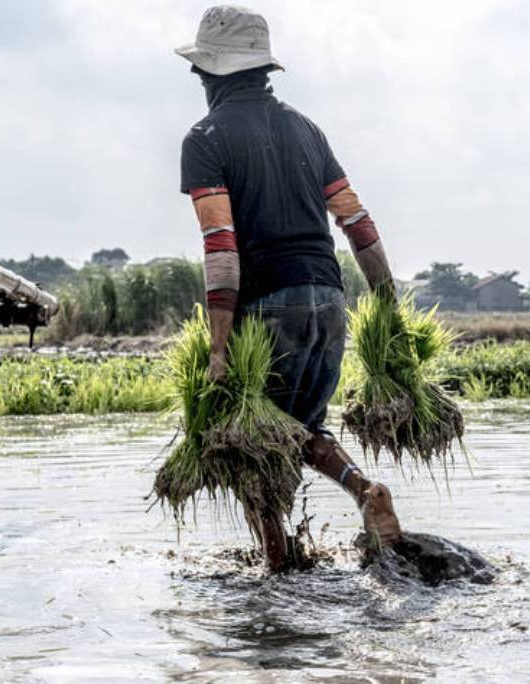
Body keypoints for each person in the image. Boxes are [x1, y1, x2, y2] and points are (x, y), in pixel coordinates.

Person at [175, 5, 401, 570]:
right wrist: (388, 307)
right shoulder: (307, 130)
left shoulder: (205, 138)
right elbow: (358, 224)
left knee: (247, 440)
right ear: (263, 72)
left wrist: (220, 348)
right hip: (328, 302)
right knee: (301, 428)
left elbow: (222, 248)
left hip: (265, 309)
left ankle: (278, 567)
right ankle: (361, 489)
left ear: (210, 75)